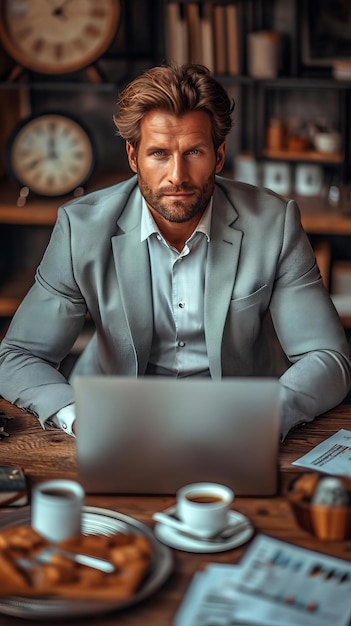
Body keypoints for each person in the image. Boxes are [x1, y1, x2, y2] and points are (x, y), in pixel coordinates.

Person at [0, 63, 350, 440]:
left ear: (218, 156)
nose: (177, 176)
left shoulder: (273, 224)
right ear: (134, 157)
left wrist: (267, 415)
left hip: (237, 422)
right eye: (160, 154)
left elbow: (329, 358)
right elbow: (18, 355)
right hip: (115, 419)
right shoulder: (80, 229)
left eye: (194, 152)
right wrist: (78, 416)